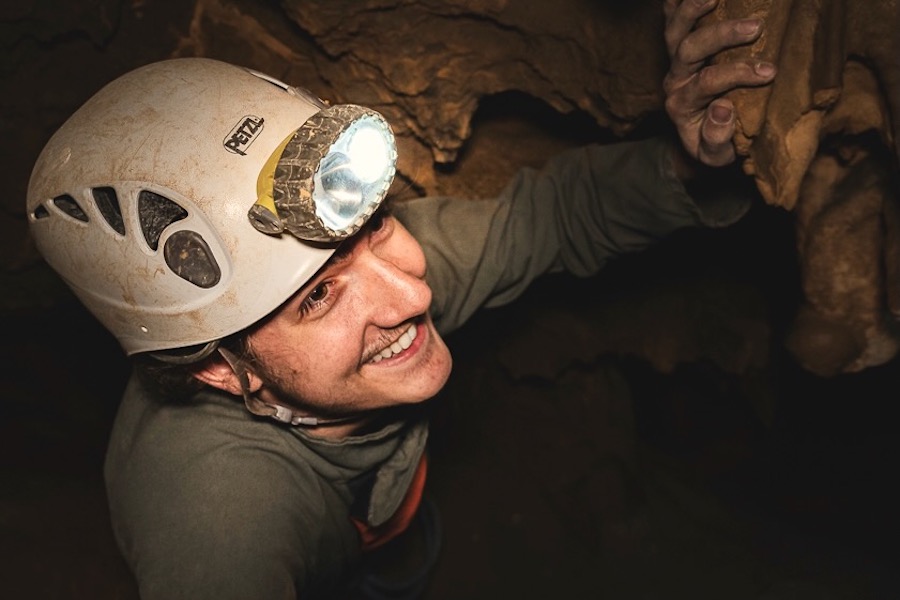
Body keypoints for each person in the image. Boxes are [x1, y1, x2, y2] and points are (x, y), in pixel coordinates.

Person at [25, 1, 775, 598]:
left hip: (384, 517)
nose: (410, 291)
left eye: (375, 227)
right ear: (219, 371)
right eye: (316, 297)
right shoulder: (219, 534)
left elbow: (552, 218)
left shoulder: (375, 270)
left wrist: (695, 163)